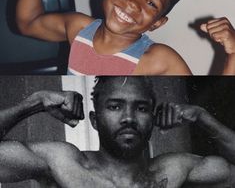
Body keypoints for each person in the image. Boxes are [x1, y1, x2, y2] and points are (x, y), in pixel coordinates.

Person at [0, 76, 234, 188]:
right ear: (94, 120)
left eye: (141, 108)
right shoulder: (63, 164)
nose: (129, 118)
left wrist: (204, 118)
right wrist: (34, 103)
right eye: (114, 106)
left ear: (153, 119)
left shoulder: (175, 170)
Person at [16, 0, 235, 75]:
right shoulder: (78, 27)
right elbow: (28, 23)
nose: (133, 3)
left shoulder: (160, 59)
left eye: (151, 3)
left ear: (157, 23)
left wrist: (233, 53)